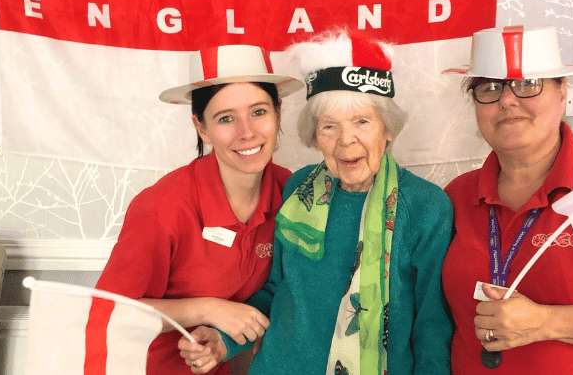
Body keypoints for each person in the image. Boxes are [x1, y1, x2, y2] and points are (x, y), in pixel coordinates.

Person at [180, 28, 454, 375]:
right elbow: (277, 289)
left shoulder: (427, 208)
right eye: (329, 126)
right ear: (314, 135)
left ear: (388, 128)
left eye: (362, 121)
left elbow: (433, 328)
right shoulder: (300, 187)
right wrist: (225, 339)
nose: (346, 141)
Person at [96, 44, 303, 375]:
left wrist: (221, 337)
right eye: (225, 118)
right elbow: (109, 311)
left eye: (259, 111)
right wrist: (207, 309)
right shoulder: (162, 208)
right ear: (202, 127)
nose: (247, 131)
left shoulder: (290, 191)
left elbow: (280, 287)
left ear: (278, 112)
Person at [441, 25, 573, 373]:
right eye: (489, 87)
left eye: (528, 84)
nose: (507, 99)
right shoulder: (455, 195)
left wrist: (546, 322)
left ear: (562, 92)